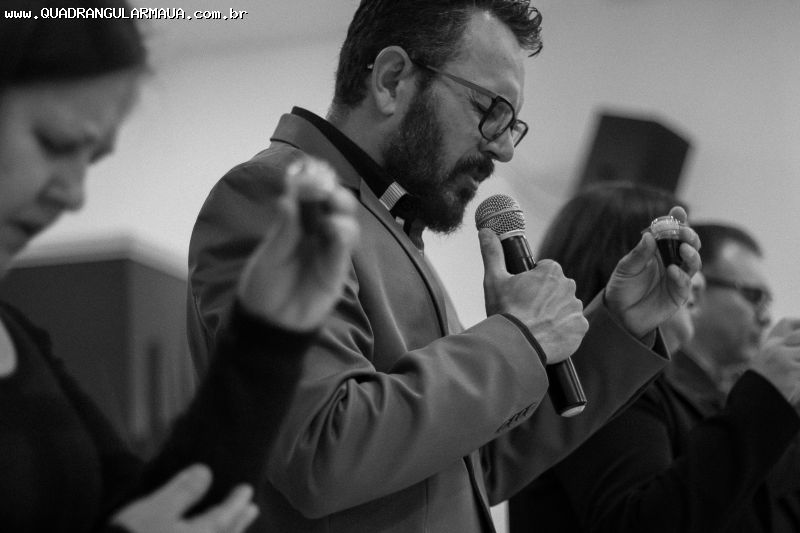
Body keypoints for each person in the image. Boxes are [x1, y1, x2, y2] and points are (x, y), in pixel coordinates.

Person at [187, 2, 701, 531]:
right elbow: (321, 450)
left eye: (512, 124)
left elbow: (469, 467)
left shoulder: (390, 226)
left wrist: (617, 325)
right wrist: (519, 339)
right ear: (392, 80)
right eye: (490, 108)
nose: (504, 148)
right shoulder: (278, 197)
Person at [0, 1, 359, 531]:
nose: (74, 194)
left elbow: (166, 504)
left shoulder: (18, 337)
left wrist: (269, 333)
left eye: (90, 160)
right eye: (56, 143)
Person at [508, 189, 800, 533]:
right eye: (679, 255)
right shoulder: (593, 386)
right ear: (622, 266)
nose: (697, 281)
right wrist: (764, 399)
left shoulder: (667, 393)